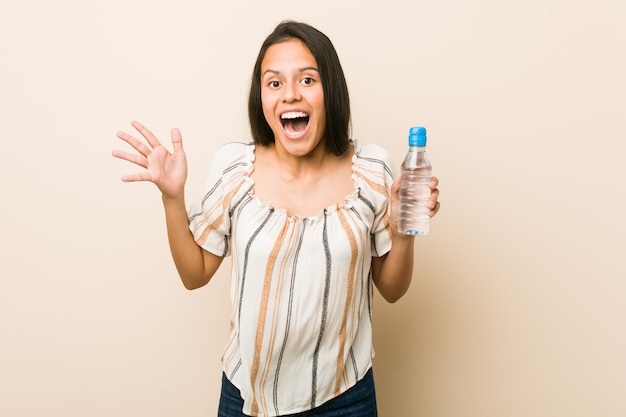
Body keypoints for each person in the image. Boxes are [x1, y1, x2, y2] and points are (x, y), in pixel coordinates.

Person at [113, 20, 440, 417]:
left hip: (345, 398)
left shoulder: (372, 169)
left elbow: (391, 289)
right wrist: (172, 198)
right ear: (261, 98)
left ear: (330, 90)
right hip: (245, 399)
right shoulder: (235, 169)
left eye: (307, 80)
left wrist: (403, 234)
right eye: (274, 83)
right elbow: (194, 273)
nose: (289, 95)